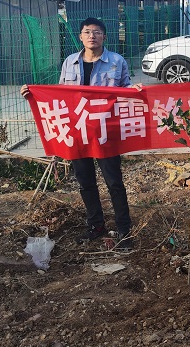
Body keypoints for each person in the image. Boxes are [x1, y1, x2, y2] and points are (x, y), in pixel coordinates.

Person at [21, 17, 142, 250]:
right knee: (85, 181)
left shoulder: (116, 61)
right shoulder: (70, 62)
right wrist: (33, 94)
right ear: (80, 37)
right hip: (78, 131)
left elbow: (126, 89)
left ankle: (124, 230)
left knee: (114, 182)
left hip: (105, 130)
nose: (91, 36)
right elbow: (59, 94)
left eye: (96, 32)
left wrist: (135, 90)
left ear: (104, 36)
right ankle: (96, 226)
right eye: (87, 32)